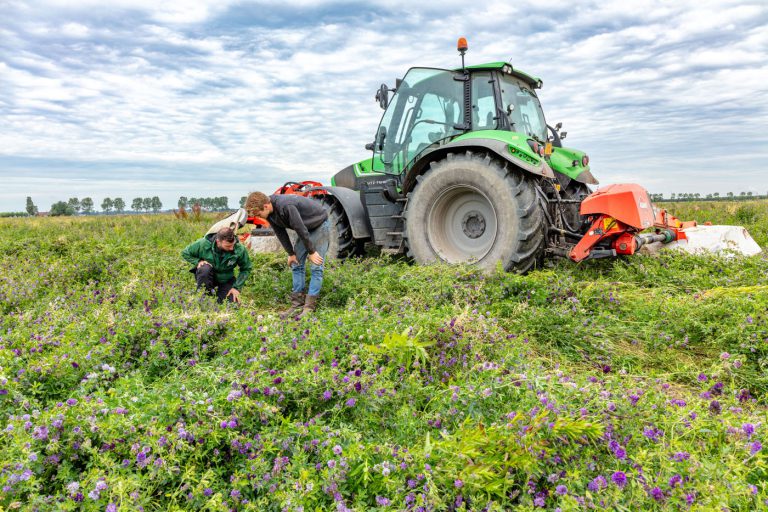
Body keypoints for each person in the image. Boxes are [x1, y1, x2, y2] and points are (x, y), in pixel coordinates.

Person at [246, 191, 329, 319]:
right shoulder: (270, 213)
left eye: (259, 214)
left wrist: (312, 252)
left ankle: (309, 308)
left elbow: (300, 229)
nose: (260, 217)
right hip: (304, 229)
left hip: (318, 225)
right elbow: (280, 232)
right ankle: (297, 305)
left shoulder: (286, 206)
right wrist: (291, 253)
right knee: (296, 264)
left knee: (316, 266)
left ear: (266, 206)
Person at [181, 227, 252, 303]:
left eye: (233, 245)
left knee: (232, 303)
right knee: (204, 268)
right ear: (218, 242)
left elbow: (246, 269)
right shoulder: (203, 244)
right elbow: (185, 253)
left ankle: (216, 298)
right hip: (208, 278)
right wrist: (198, 261)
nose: (231, 248)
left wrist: (236, 288)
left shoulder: (240, 249)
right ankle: (203, 296)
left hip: (226, 280)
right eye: (228, 246)